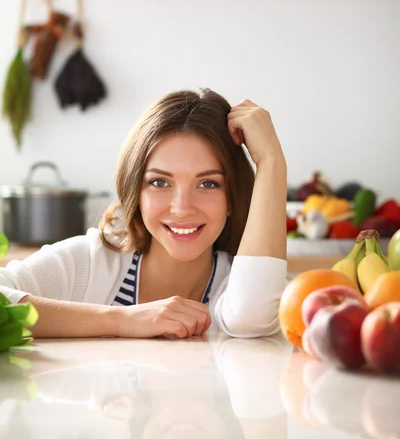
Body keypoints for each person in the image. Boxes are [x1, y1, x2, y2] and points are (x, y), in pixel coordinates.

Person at [0, 89, 288, 339]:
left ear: (232, 197)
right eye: (159, 182)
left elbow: (251, 322)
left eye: (208, 183)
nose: (182, 207)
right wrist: (122, 319)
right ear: (135, 189)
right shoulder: (89, 263)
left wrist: (272, 161)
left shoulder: (243, 282)